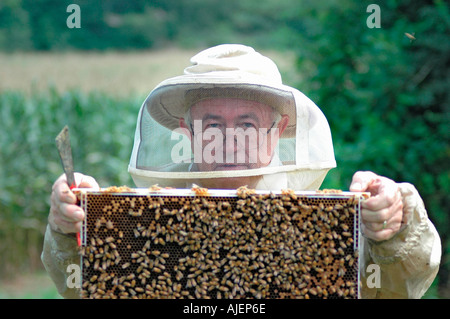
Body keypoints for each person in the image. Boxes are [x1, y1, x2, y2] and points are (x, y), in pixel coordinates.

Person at [42, 44, 441, 299]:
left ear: (277, 131)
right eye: (212, 124)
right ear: (188, 133)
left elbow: (398, 289)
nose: (231, 139)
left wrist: (392, 221)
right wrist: (72, 225)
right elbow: (81, 287)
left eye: (247, 124)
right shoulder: (141, 221)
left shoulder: (324, 222)